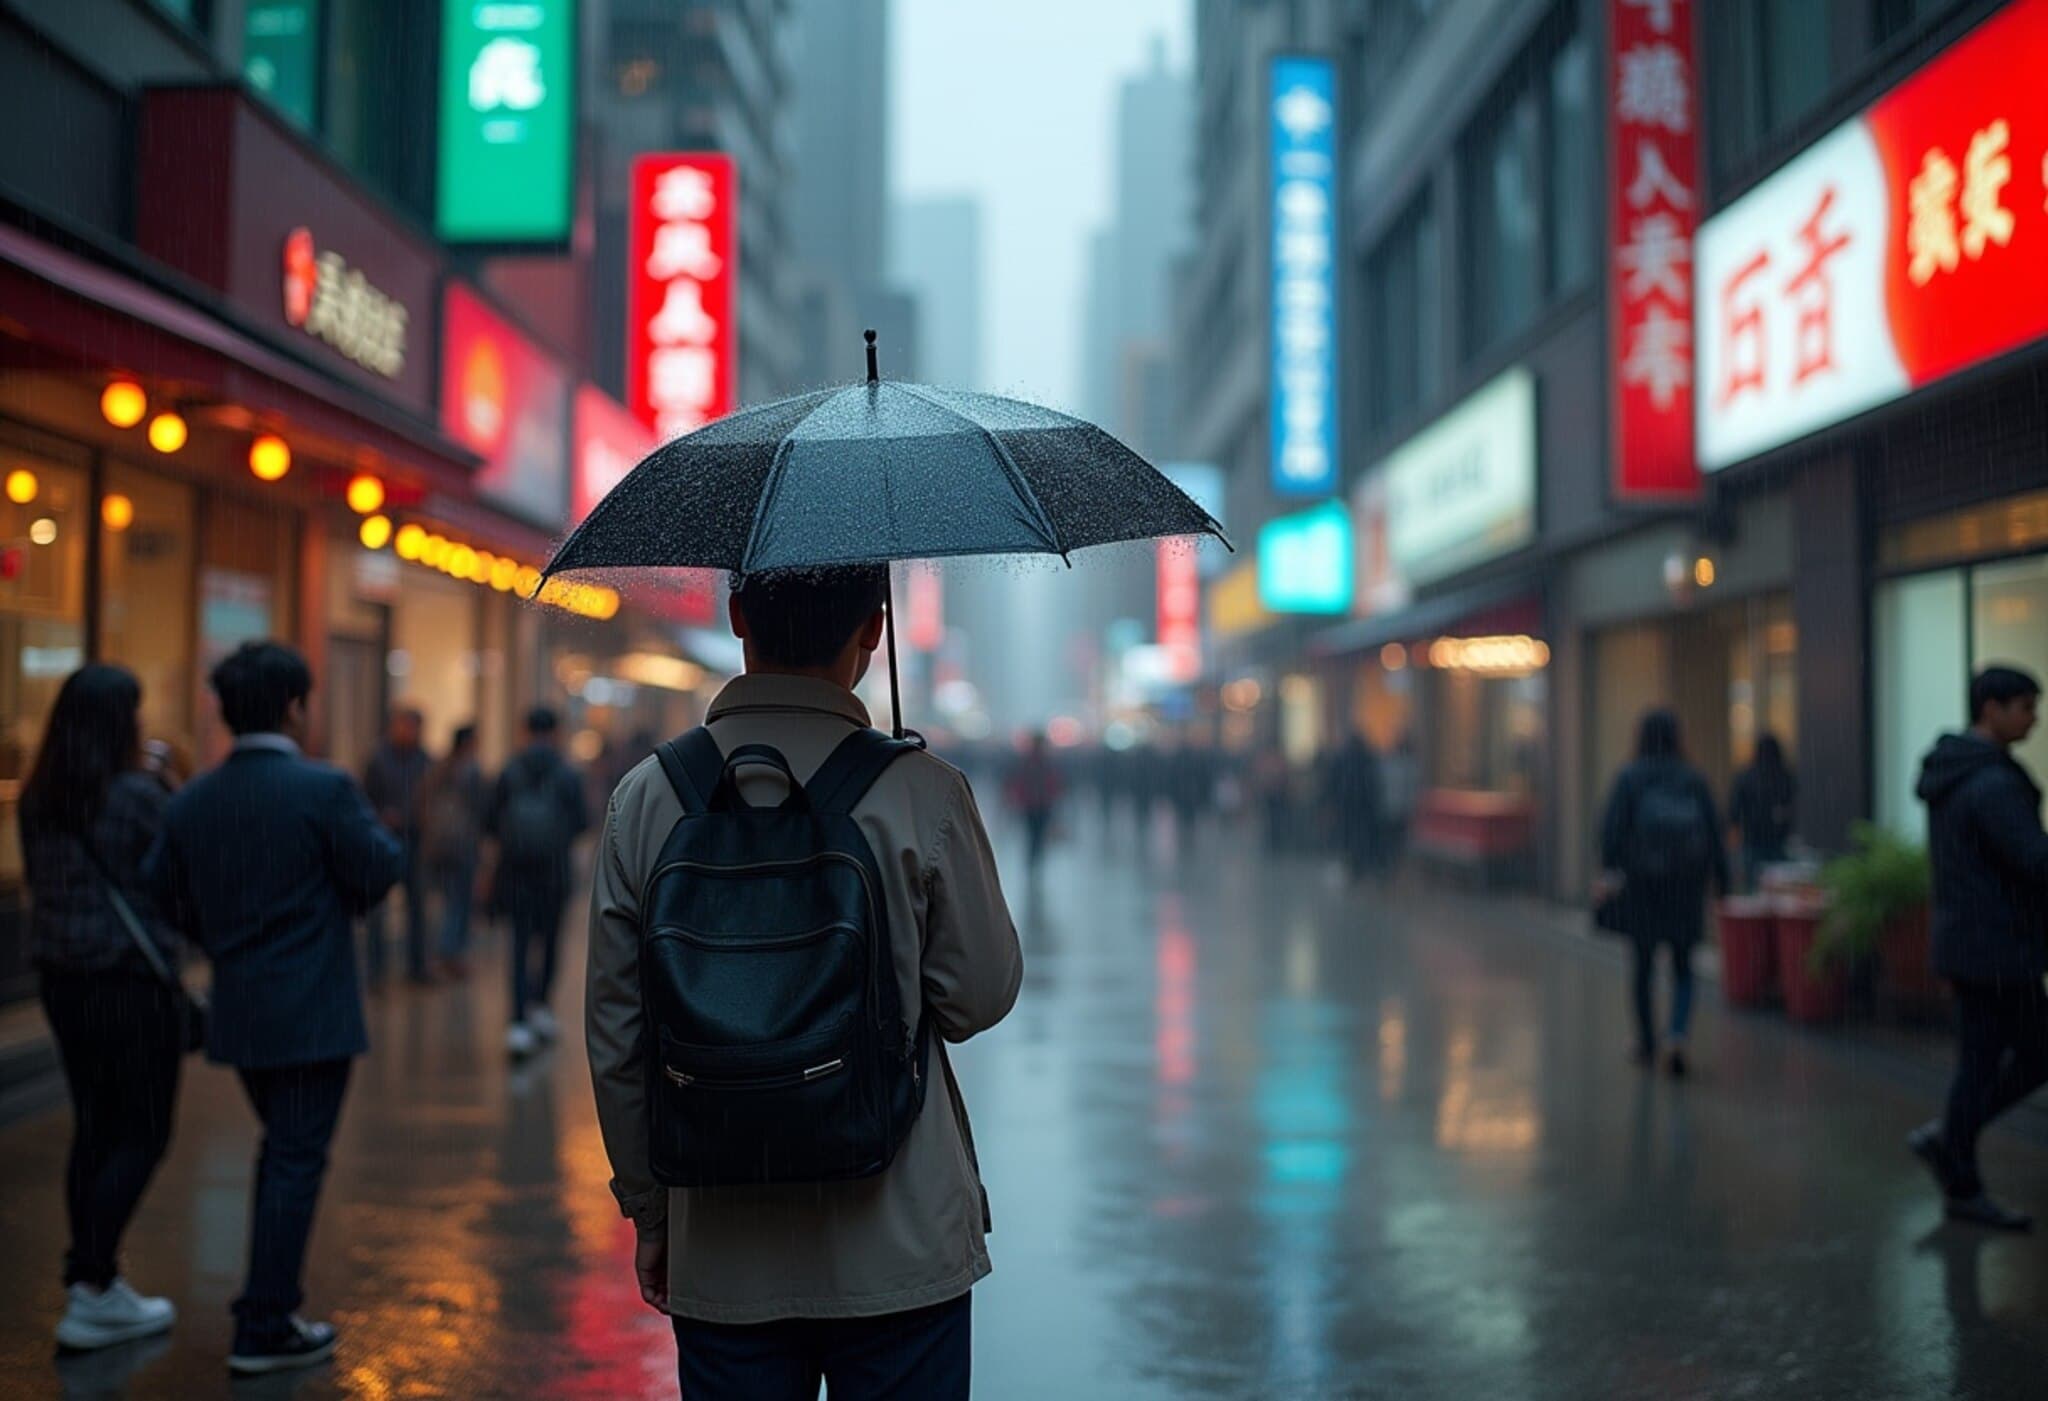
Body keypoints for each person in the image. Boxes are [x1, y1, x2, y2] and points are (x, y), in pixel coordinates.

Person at [588, 566, 1022, 1400]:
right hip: (900, 1243)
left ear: (738, 613)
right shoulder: (921, 791)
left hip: (722, 1246)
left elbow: (617, 1038)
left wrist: (651, 1210)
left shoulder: (646, 797)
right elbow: (981, 994)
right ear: (874, 630)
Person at [146, 641, 403, 1374]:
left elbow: (159, 888)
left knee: (282, 1150)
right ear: (294, 706)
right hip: (314, 1011)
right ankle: (263, 1322)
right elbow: (380, 867)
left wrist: (220, 934)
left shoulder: (194, 799)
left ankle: (267, 1309)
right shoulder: (323, 790)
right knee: (295, 1157)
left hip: (243, 1006)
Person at [19, 665, 183, 1351]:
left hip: (61, 979)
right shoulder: (137, 795)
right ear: (122, 721)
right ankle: (91, 1283)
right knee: (142, 1130)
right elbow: (175, 874)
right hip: (130, 981)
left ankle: (94, 1276)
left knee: (94, 1123)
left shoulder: (39, 797)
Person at [1907, 665, 2048, 1232]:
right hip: (1996, 947)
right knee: (2016, 1055)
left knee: (1984, 1059)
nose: (2033, 718)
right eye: (2024, 706)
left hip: (1976, 943)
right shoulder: (1989, 782)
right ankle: (1955, 1154)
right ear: (1991, 709)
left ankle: (1954, 1152)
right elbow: (2034, 861)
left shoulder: (1960, 771)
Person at [1598, 710, 1728, 1078]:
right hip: (1686, 885)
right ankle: (1676, 1034)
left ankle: (1645, 1041)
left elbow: (1611, 831)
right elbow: (1715, 834)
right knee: (1685, 965)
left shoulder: (1630, 777)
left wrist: (1611, 870)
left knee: (1642, 964)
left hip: (1642, 884)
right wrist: (1722, 882)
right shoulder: (1693, 779)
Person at [488, 707, 588, 1057]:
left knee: (518, 945)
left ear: (524, 730)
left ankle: (517, 1021)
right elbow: (581, 823)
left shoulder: (509, 771)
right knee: (550, 942)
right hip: (554, 873)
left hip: (515, 874)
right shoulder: (567, 774)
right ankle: (541, 1006)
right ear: (556, 731)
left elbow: (490, 823)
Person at [361, 706, 430, 986]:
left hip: (414, 838)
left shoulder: (424, 760)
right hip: (384, 838)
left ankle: (417, 966)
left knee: (417, 906)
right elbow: (363, 799)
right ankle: (376, 969)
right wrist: (382, 816)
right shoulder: (378, 760)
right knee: (378, 909)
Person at [420, 723, 487, 980]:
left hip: (438, 845)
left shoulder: (439, 768)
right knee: (459, 903)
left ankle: (444, 953)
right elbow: (480, 810)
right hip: (461, 845)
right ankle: (450, 953)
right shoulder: (470, 771)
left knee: (448, 901)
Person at [1728, 734, 1797, 892]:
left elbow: (1734, 813)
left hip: (1753, 841)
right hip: (1778, 842)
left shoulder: (1746, 777)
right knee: (1780, 889)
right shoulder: (1784, 776)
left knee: (1754, 889)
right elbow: (1791, 808)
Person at [1005, 730, 1063, 884]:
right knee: (1036, 835)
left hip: (1035, 805)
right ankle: (1034, 861)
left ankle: (1033, 861)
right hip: (1036, 805)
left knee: (1034, 835)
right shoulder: (1040, 762)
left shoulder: (1031, 762)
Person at [1327, 732, 1383, 883]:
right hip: (1361, 807)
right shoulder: (1367, 759)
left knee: (1350, 838)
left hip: (1349, 807)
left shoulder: (1343, 759)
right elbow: (1373, 784)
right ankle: (1358, 868)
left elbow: (1334, 782)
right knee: (1359, 839)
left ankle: (1354, 868)